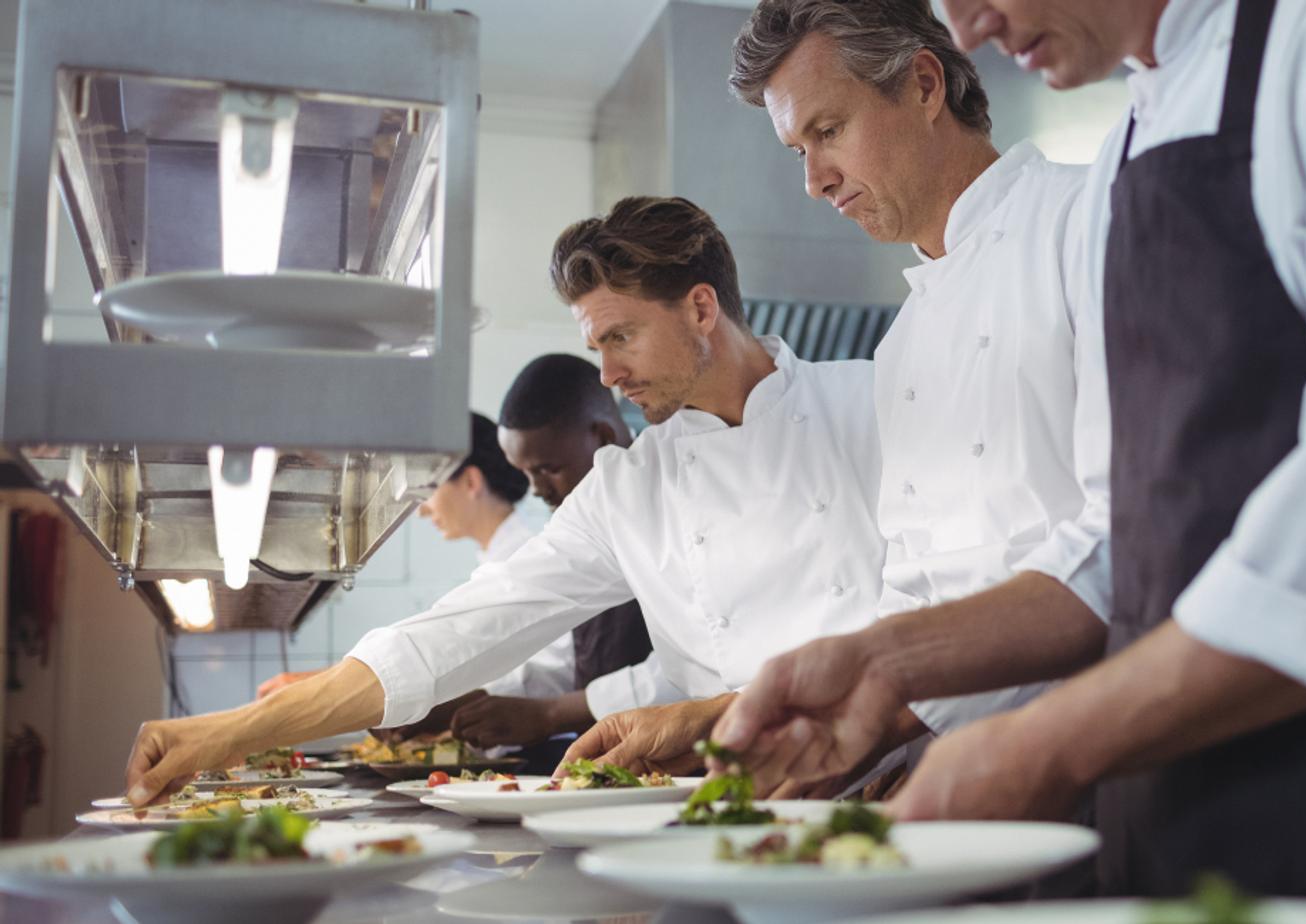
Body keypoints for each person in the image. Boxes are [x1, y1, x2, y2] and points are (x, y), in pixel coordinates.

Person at [712, 0, 1306, 918]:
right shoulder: (1134, 140)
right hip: (1186, 797)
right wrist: (884, 663)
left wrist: (1044, 743)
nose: (968, 31)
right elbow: (1122, 549)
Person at [123, 196, 895, 801]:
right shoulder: (634, 488)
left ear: (700, 308)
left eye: (621, 337)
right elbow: (463, 631)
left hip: (905, 795)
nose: (607, 375)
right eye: (596, 347)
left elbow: (968, 602)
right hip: (735, 818)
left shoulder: (874, 404)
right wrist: (234, 730)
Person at [635, 0, 1110, 776]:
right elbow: (913, 595)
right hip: (945, 753)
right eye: (797, 150)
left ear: (925, 86)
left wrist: (894, 710)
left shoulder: (1087, 219)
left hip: (1088, 750)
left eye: (828, 132)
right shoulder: (903, 345)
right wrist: (840, 734)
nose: (815, 182)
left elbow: (1123, 544)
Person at [380, 355, 658, 756]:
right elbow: (508, 626)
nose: (538, 490)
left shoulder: (663, 512)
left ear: (601, 437)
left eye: (548, 469)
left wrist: (552, 714)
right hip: (614, 754)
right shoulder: (580, 527)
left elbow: (685, 672)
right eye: (528, 474)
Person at [254, 412, 544, 701]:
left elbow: (534, 677)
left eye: (428, 489)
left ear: (470, 482)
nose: (421, 510)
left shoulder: (522, 562)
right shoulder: (500, 559)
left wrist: (323, 685)